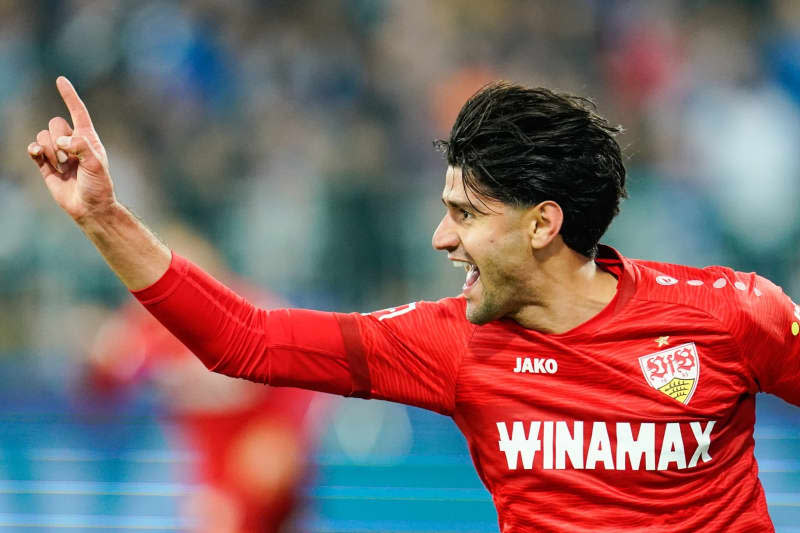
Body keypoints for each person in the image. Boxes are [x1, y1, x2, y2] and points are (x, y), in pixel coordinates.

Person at [28, 76, 799, 532]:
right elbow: (245, 340)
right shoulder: (450, 344)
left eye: (464, 213)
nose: (438, 237)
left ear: (543, 223)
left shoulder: (732, 314)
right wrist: (101, 215)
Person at [84, 223, 328, 533]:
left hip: (260, 443)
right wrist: (97, 356)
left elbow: (306, 373)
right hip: (206, 462)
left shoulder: (250, 308)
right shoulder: (150, 327)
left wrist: (284, 431)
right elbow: (104, 386)